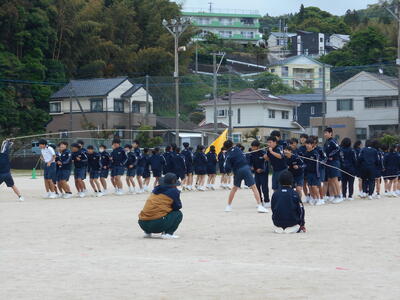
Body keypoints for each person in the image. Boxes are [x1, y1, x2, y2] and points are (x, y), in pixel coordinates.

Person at [223, 140, 268, 213]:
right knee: (254, 187)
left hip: (237, 170)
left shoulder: (227, 154)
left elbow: (226, 166)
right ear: (232, 144)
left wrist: (228, 172)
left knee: (234, 188)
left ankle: (228, 206)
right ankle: (260, 206)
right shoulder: (237, 148)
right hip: (245, 168)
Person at [138, 173, 183, 239]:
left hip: (142, 223)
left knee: (154, 211)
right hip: (156, 224)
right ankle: (168, 234)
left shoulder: (155, 189)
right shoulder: (174, 191)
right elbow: (177, 207)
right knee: (178, 214)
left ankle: (147, 232)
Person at [323, 128, 342, 203]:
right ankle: (334, 195)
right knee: (331, 180)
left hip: (334, 162)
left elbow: (338, 149)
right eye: (324, 133)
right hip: (328, 163)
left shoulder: (333, 141)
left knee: (335, 179)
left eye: (326, 133)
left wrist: (330, 155)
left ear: (331, 133)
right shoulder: (326, 142)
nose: (325, 134)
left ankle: (339, 196)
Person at [303, 137, 324, 205]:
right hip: (308, 173)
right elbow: (304, 163)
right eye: (306, 144)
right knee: (310, 186)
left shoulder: (315, 153)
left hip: (315, 173)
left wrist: (319, 162)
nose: (307, 145)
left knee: (314, 186)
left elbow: (319, 162)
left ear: (312, 145)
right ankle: (313, 198)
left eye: (309, 144)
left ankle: (319, 199)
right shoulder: (306, 153)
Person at [249, 140, 270, 207]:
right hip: (256, 172)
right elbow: (250, 162)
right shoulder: (251, 153)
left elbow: (266, 162)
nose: (252, 148)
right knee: (257, 187)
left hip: (263, 172)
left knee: (264, 187)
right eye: (252, 147)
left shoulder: (263, 152)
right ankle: (260, 202)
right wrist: (252, 167)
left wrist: (262, 169)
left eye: (254, 147)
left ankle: (267, 201)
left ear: (258, 147)